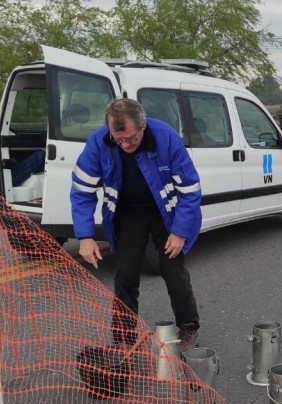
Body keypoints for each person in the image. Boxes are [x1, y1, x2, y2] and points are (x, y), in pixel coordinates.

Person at [71, 98, 203, 354]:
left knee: (173, 272)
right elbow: (81, 191)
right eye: (118, 140)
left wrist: (179, 232)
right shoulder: (98, 142)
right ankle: (123, 335)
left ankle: (189, 325)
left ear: (143, 127)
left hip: (165, 214)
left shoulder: (166, 138)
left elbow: (190, 191)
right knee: (125, 276)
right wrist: (85, 235)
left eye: (131, 138)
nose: (125, 145)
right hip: (126, 214)